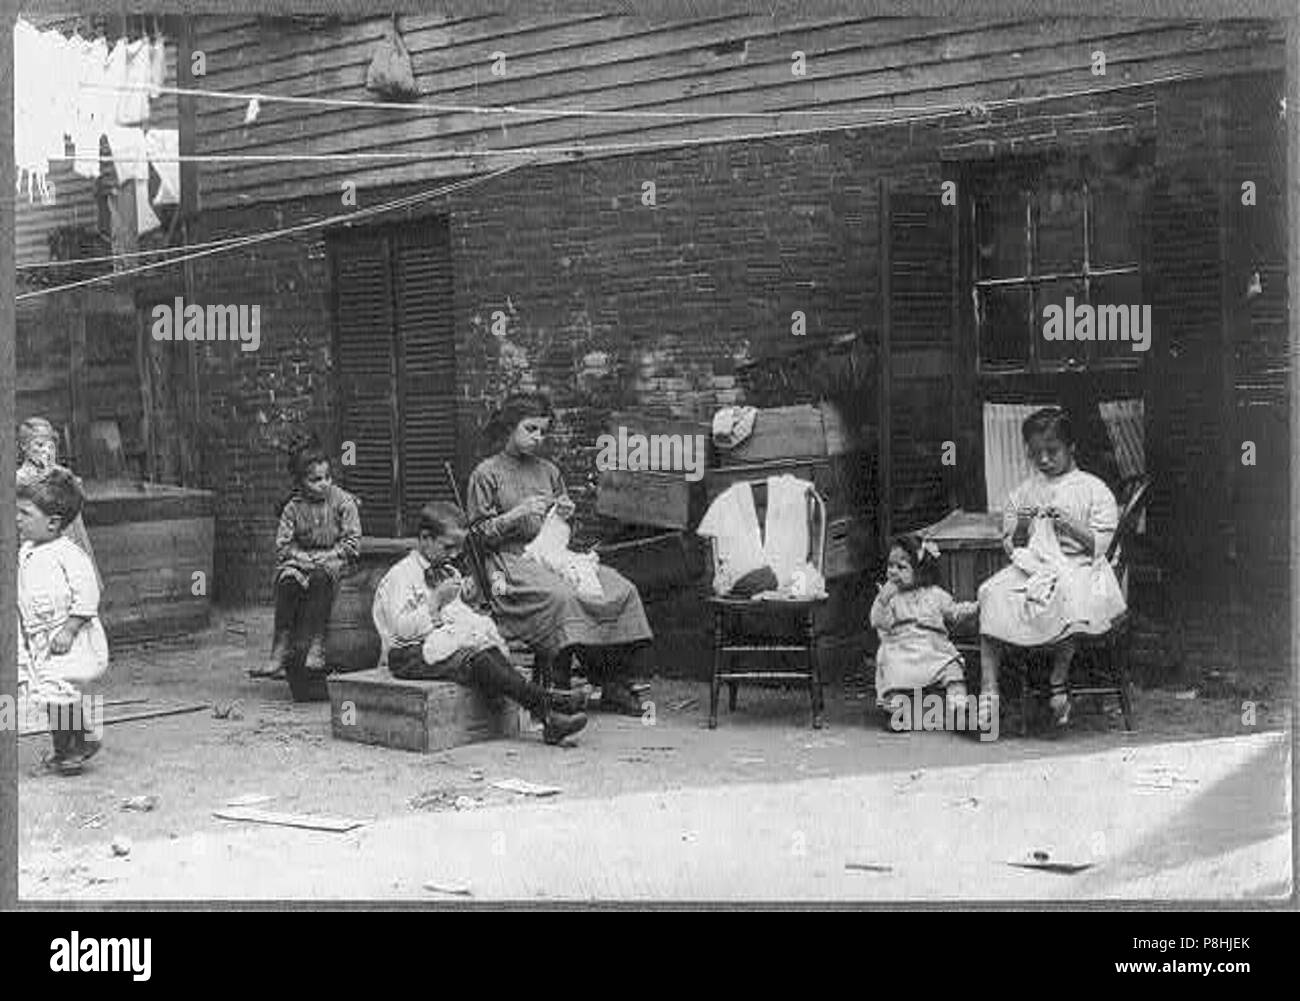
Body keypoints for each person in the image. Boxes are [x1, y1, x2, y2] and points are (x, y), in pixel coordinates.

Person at [466, 392, 653, 715]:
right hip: (507, 563)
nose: (538, 438)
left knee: (620, 588)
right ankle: (559, 688)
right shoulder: (486, 473)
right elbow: (475, 537)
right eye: (531, 429)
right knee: (562, 596)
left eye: (542, 431)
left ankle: (612, 682)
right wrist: (514, 516)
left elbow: (565, 533)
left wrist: (567, 516)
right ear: (511, 427)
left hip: (552, 555)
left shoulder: (549, 471)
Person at [372, 502, 588, 746]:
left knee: (488, 649)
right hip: (406, 654)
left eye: (458, 548)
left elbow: (456, 617)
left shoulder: (447, 571)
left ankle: (549, 715)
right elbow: (401, 631)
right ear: (425, 538)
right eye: (447, 547)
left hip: (440, 642)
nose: (454, 554)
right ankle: (550, 704)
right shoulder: (400, 575)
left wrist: (465, 601)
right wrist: (434, 603)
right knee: (478, 658)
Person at [976, 407, 1126, 729]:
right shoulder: (1028, 489)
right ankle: (989, 690)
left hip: (1080, 566)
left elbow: (1102, 545)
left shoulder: (1093, 488)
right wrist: (1021, 526)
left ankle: (1058, 681)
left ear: (1072, 448)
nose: (1043, 460)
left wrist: (1071, 526)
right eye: (1036, 454)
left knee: (1066, 596)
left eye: (1052, 451)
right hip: (1037, 566)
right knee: (990, 592)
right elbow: (1013, 539)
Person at [17, 467, 109, 775]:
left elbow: (88, 593)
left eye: (25, 514)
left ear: (54, 523)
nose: (17, 519)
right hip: (41, 638)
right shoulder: (27, 551)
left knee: (57, 693)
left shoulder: (68, 554)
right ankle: (70, 746)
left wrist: (69, 629)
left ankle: (75, 745)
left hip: (68, 636)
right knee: (50, 695)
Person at [250, 437, 361, 679]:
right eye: (315, 480)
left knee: (321, 579)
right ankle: (280, 648)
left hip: (335, 560)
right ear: (301, 482)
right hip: (302, 560)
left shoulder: (343, 502)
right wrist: (301, 558)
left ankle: (318, 643)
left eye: (327, 478)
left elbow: (352, 544)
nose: (323, 484)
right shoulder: (293, 508)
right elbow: (283, 545)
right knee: (288, 582)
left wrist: (329, 556)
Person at [870, 533, 978, 732]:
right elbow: (879, 622)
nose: (893, 572)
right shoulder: (890, 598)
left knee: (952, 668)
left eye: (901, 567)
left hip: (932, 647)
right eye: (890, 566)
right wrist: (882, 601)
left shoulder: (935, 594)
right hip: (901, 647)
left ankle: (959, 708)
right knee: (892, 667)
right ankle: (897, 711)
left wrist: (975, 607)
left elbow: (953, 612)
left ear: (919, 571)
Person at [16, 417, 102, 589]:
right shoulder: (18, 481)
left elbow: (77, 526)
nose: (46, 450)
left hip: (67, 546)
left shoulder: (63, 477)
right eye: (39, 445)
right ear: (24, 446)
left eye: (50, 444)